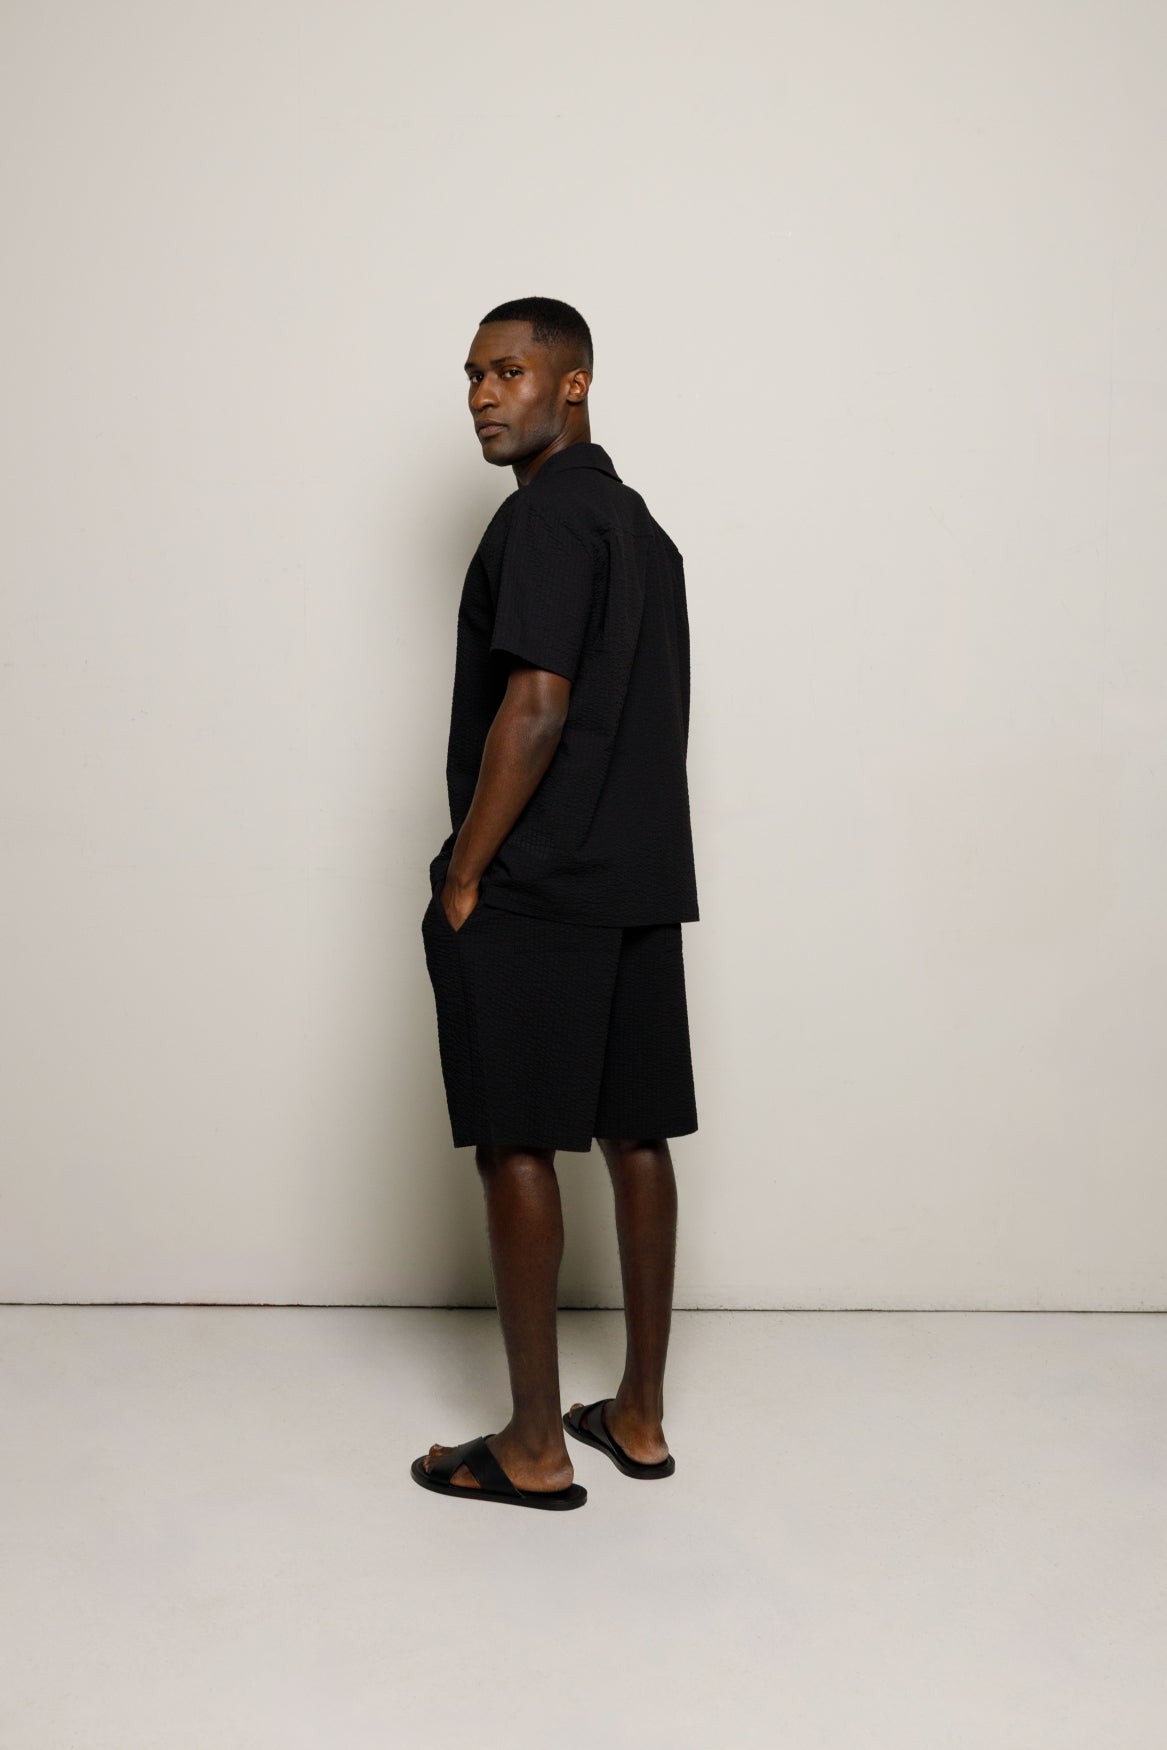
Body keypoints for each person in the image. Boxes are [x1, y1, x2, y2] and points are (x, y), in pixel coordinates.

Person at [411, 296, 699, 1511]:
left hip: (540, 878)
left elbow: (536, 706)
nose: (485, 395)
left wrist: (465, 870)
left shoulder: (541, 517)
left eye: (510, 372)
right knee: (638, 1134)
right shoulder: (645, 529)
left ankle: (534, 1445)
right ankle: (638, 1415)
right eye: (473, 375)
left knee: (517, 1139)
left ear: (572, 384)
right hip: (639, 875)